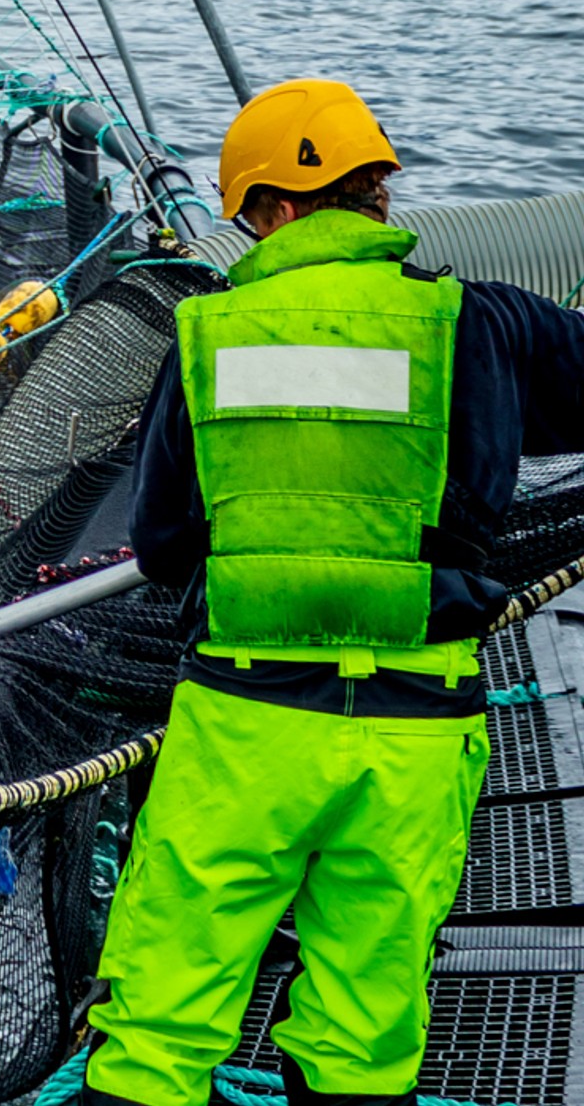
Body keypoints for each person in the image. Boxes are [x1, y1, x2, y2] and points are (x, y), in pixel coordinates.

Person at [84, 77, 584, 1106]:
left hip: (242, 730)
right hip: (412, 735)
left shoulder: (207, 337)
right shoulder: (473, 325)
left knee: (159, 1026)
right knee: (366, 1034)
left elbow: (166, 545)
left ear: (267, 208)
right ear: (377, 198)